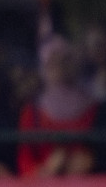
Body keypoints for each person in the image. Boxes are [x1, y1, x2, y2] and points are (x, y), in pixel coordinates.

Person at [16, 37, 95, 177]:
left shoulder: (93, 107)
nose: (59, 67)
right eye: (51, 62)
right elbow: (25, 161)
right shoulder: (32, 112)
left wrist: (91, 162)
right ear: (42, 68)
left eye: (65, 60)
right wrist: (47, 170)